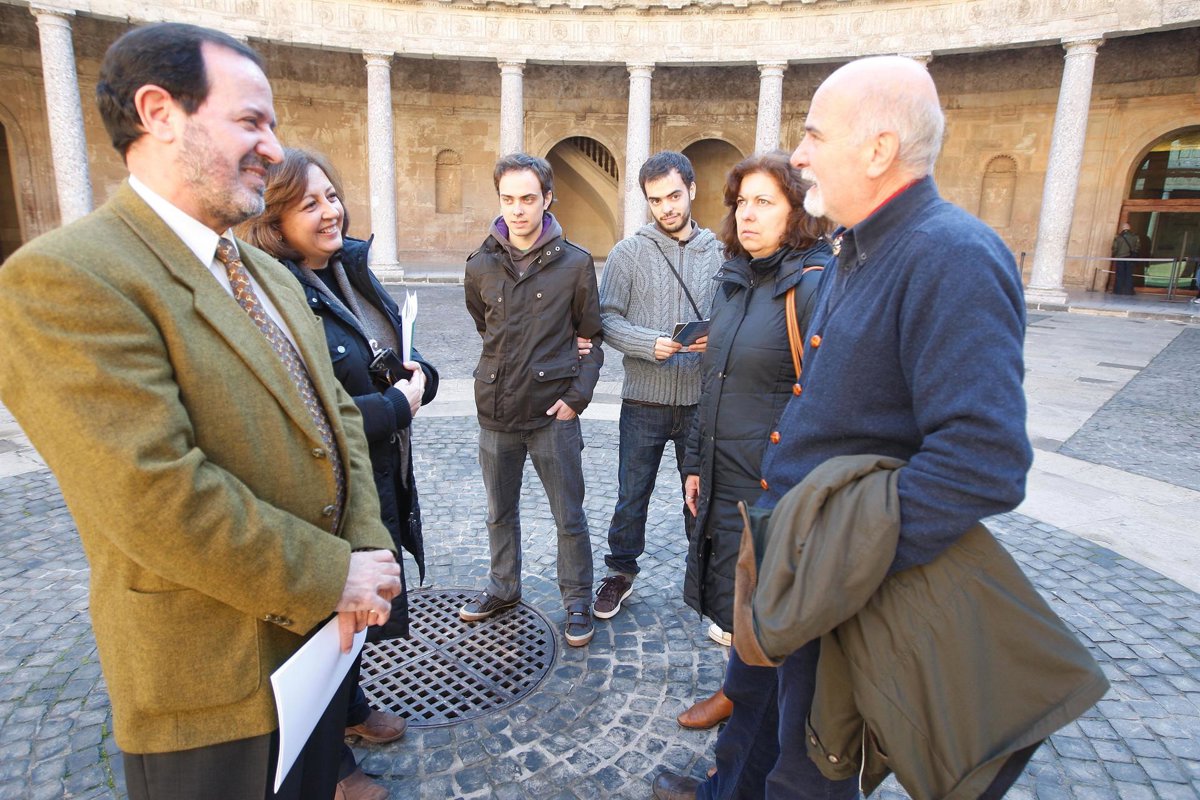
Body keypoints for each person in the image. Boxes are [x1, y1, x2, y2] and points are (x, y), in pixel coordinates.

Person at [0, 23, 403, 800]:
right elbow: (151, 494)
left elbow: (338, 423)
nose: (274, 149)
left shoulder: (267, 272)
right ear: (160, 113)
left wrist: (366, 552)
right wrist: (333, 574)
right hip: (212, 681)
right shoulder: (65, 278)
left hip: (319, 644)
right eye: (251, 121)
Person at [655, 54, 1034, 799]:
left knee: (809, 768)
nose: (799, 156)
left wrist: (840, 560)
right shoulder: (857, 251)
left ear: (878, 149)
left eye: (814, 135)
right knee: (754, 709)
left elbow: (983, 460)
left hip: (836, 579)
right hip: (791, 557)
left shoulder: (952, 256)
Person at [240, 147, 439, 800]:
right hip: (325, 490)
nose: (330, 211)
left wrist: (420, 377)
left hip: (373, 473)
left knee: (354, 614)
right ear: (275, 220)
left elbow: (385, 347)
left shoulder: (347, 268)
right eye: (309, 203)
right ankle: (331, 769)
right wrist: (396, 406)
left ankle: (350, 710)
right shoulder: (274, 293)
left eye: (331, 196)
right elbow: (307, 413)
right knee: (328, 622)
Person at [654, 152, 833, 795]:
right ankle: (735, 717)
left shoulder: (814, 286)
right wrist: (695, 462)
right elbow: (715, 381)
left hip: (773, 494)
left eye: (765, 202)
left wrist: (786, 491)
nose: (747, 214)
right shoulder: (736, 279)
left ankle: (737, 776)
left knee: (770, 640)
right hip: (724, 478)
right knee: (741, 617)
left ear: (797, 212)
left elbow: (824, 402)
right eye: (741, 202)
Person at [461, 153, 604, 647]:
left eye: (528, 198)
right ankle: (503, 587)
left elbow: (592, 337)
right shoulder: (479, 264)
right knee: (498, 512)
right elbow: (484, 326)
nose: (518, 209)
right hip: (496, 411)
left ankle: (577, 599)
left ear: (547, 199)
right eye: (508, 199)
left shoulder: (576, 264)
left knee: (569, 516)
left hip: (552, 415)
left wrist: (576, 399)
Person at [593, 151, 721, 623]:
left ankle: (706, 577)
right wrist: (649, 344)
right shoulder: (628, 253)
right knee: (632, 495)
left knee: (701, 497)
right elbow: (606, 319)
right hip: (643, 400)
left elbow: (734, 317)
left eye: (673, 196)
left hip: (700, 402)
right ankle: (620, 573)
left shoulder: (720, 253)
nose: (666, 207)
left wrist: (715, 336)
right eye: (656, 200)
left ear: (691, 190)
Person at [1111, 221, 1140, 295]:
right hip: (1130, 258)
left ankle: (1118, 291)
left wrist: (1114, 255)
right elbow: (1137, 247)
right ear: (1129, 227)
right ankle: (1128, 291)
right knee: (1129, 274)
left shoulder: (1118, 237)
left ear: (1122, 228)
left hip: (1120, 258)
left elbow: (1114, 248)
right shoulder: (1135, 237)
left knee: (1119, 274)